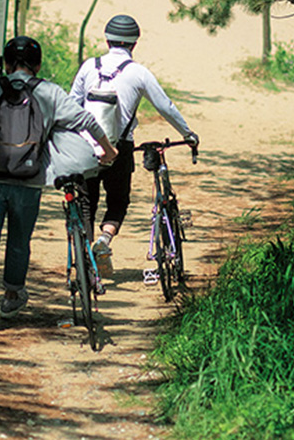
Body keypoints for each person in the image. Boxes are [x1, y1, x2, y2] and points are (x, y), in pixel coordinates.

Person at [0, 35, 118, 333]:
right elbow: (87, 121)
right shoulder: (50, 91)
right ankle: (13, 294)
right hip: (29, 181)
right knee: (19, 241)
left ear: (6, 63)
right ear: (38, 64)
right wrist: (107, 149)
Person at [69, 14, 199, 278]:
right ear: (134, 44)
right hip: (120, 148)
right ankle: (104, 241)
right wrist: (187, 133)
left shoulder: (88, 67)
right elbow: (165, 107)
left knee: (86, 203)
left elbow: (72, 105)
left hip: (85, 148)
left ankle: (84, 263)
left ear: (107, 40)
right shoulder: (139, 73)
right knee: (118, 201)